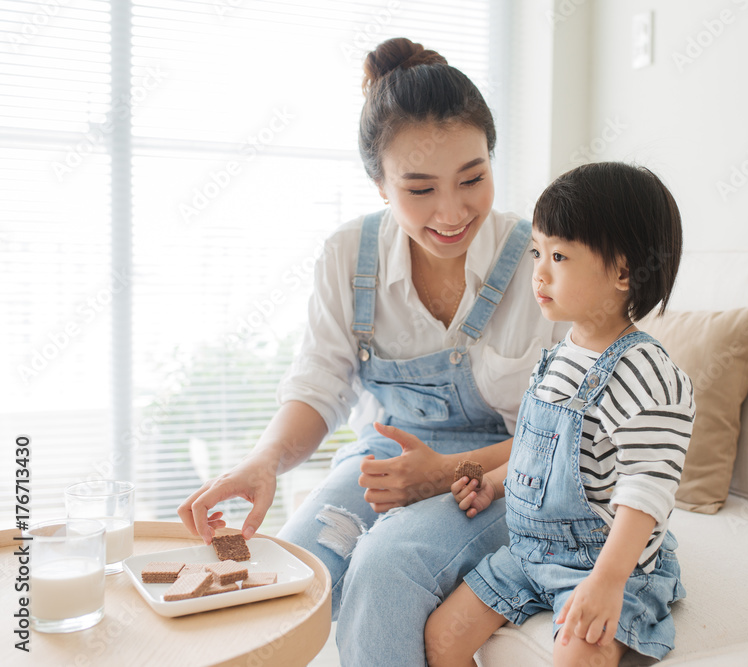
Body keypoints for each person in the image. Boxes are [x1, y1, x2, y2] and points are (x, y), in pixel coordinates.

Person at [177, 37, 567, 664]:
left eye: (473, 178)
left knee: (386, 567)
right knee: (300, 564)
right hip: (387, 454)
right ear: (379, 185)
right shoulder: (347, 258)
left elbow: (562, 435)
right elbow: (318, 386)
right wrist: (265, 461)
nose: (451, 212)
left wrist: (442, 473)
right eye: (419, 189)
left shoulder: (543, 263)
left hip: (507, 473)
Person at [424, 162, 695, 666]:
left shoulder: (646, 371)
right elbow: (538, 458)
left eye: (560, 255)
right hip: (530, 555)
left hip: (606, 563)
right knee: (442, 636)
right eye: (537, 253)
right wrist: (496, 483)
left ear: (622, 272)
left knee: (579, 655)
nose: (539, 273)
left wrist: (607, 583)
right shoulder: (559, 355)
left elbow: (648, 488)